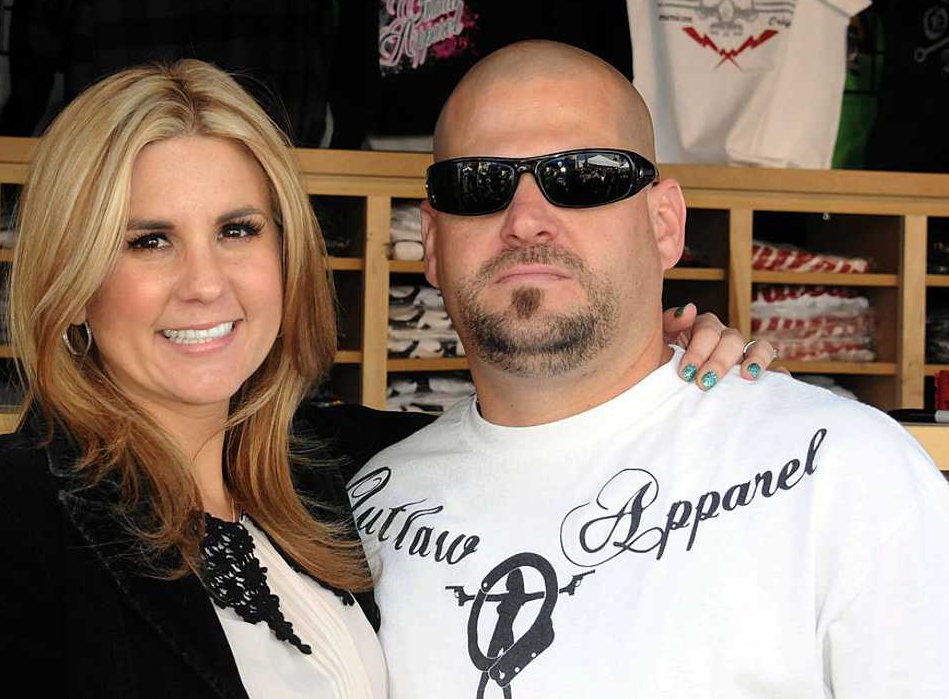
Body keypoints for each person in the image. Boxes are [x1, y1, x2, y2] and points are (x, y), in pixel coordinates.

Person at [0, 59, 770, 698]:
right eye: (147, 240)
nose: (205, 281)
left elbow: (537, 427)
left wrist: (668, 365)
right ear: (73, 283)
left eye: (237, 229)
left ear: (287, 255)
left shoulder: (340, 468)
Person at [349, 40, 949, 698]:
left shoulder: (847, 475)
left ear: (665, 223)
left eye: (584, 175)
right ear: (432, 242)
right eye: (478, 183)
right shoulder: (362, 513)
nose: (525, 220)